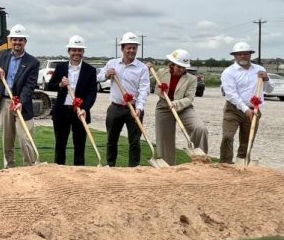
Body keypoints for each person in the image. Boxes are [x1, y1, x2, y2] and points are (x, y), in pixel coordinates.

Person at [0, 24, 39, 168]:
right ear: (11, 40)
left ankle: (29, 167)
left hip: (22, 104)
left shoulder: (33, 62)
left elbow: (30, 85)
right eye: (15, 39)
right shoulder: (3, 54)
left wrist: (21, 101)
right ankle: (9, 168)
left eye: (20, 40)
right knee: (7, 139)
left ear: (25, 42)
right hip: (4, 102)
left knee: (25, 138)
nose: (17, 43)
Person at [97, 32, 149, 167]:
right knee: (111, 139)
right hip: (115, 107)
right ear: (122, 48)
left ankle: (134, 168)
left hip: (133, 108)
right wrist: (107, 74)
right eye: (129, 47)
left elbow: (144, 89)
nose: (131, 50)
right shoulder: (112, 63)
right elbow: (99, 77)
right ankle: (110, 165)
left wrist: (139, 108)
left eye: (134, 47)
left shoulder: (142, 68)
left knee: (135, 141)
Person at [151, 49, 209, 166]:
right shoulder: (161, 73)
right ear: (172, 64)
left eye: (184, 67)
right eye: (179, 66)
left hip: (184, 107)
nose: (181, 69)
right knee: (165, 139)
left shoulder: (192, 79)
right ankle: (168, 166)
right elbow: (148, 80)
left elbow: (189, 98)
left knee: (200, 128)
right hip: (164, 107)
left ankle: (200, 161)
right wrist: (148, 69)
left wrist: (177, 103)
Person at [47, 35, 98, 166]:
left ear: (83, 52)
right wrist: (60, 85)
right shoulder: (61, 68)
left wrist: (85, 109)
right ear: (69, 51)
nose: (77, 53)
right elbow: (50, 85)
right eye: (74, 50)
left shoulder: (90, 70)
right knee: (60, 144)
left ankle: (79, 173)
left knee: (80, 145)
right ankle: (59, 171)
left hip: (80, 112)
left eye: (79, 50)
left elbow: (92, 93)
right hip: (62, 111)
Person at [219, 42, 273, 164]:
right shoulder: (229, 72)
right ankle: (225, 163)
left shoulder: (260, 70)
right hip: (233, 109)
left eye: (245, 54)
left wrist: (267, 79)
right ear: (234, 56)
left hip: (254, 109)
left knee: (247, 140)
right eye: (239, 54)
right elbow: (231, 94)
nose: (242, 56)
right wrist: (245, 109)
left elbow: (269, 89)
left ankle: (241, 163)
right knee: (227, 137)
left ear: (250, 55)